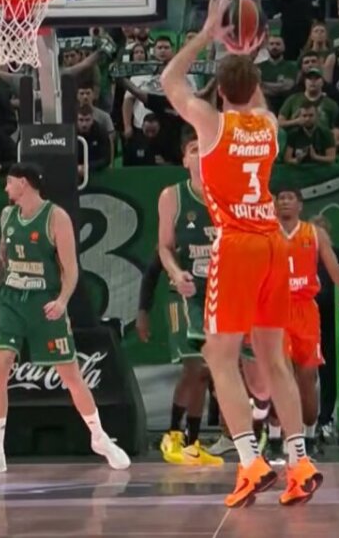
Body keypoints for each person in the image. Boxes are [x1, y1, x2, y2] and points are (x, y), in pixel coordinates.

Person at [159, 0, 320, 508]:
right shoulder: (269, 128)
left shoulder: (211, 125)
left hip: (238, 245)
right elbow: (258, 100)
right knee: (274, 358)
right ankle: (299, 461)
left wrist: (208, 34)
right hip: (275, 244)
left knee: (219, 357)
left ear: (220, 91)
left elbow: (168, 80)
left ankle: (250, 461)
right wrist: (249, 54)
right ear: (254, 88)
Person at [0, 163, 130, 475]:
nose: (6, 189)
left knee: (70, 375)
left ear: (23, 184)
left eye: (9, 183)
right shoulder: (7, 216)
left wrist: (62, 301)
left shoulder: (56, 217)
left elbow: (71, 268)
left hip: (45, 301)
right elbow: (2, 262)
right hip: (12, 300)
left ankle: (100, 437)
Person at [275, 188, 339, 456]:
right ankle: (279, 438)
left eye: (290, 197)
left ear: (300, 205)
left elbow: (336, 272)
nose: (285, 201)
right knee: (278, 377)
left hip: (304, 310)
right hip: (275, 310)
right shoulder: (265, 232)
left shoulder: (314, 234)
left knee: (306, 377)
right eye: (281, 198)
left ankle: (309, 437)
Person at [154, 138, 220, 466]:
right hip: (183, 291)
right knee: (194, 364)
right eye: (193, 148)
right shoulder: (172, 196)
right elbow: (164, 247)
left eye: (204, 147)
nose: (200, 152)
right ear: (185, 160)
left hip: (217, 291)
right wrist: (177, 274)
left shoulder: (226, 194)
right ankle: (172, 434)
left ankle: (193, 441)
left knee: (205, 372)